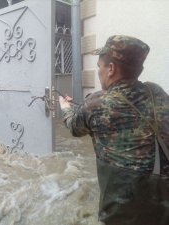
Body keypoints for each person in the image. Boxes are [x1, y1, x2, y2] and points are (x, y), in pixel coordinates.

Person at [59, 35, 169, 225]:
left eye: (99, 66)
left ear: (110, 69)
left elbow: (74, 128)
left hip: (124, 203)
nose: (98, 71)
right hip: (163, 195)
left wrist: (65, 107)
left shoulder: (96, 102)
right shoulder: (156, 91)